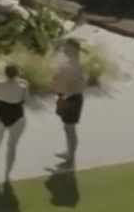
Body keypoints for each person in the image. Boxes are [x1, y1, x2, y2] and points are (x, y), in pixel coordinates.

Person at [0, 63, 29, 178]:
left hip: (0, 113)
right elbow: (25, 100)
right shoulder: (23, 86)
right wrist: (17, 81)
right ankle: (7, 174)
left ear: (5, 73)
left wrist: (3, 78)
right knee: (12, 145)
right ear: (18, 73)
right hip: (17, 114)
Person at [52, 38, 87, 169]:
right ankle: (68, 153)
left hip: (72, 98)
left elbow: (80, 85)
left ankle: (71, 158)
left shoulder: (76, 64)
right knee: (67, 128)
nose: (65, 49)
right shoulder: (70, 62)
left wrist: (65, 96)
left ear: (73, 49)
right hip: (67, 97)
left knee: (70, 129)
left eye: (67, 47)